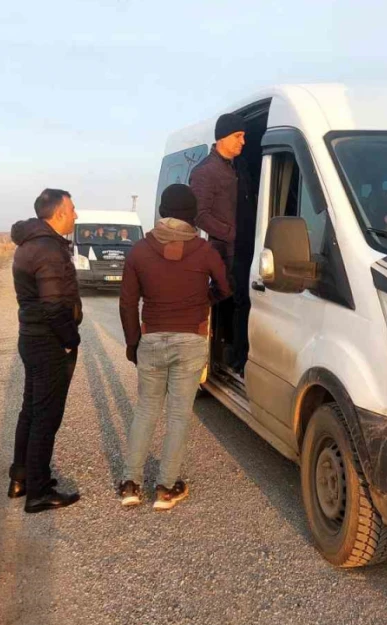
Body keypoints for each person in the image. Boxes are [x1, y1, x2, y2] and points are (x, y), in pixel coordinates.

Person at [118, 184, 231, 510]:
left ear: (163, 211)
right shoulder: (205, 251)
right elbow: (225, 288)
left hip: (151, 339)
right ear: (191, 214)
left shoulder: (139, 250)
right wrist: (204, 302)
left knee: (146, 410)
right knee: (179, 415)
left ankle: (130, 484)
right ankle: (166, 488)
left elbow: (127, 304)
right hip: (191, 339)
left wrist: (132, 342)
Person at [9, 188, 83, 514]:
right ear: (58, 213)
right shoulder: (48, 250)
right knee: (45, 416)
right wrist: (70, 339)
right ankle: (38, 491)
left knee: (31, 410)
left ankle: (21, 478)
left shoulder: (30, 244)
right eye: (72, 208)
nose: (76, 215)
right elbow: (54, 307)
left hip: (32, 337)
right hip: (49, 341)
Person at [189, 113, 246, 371]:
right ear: (222, 137)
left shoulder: (236, 168)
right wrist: (231, 233)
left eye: (243, 136)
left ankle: (237, 356)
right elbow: (199, 214)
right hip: (224, 251)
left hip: (242, 250)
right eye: (238, 136)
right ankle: (228, 359)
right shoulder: (205, 171)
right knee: (232, 302)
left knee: (242, 302)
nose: (242, 142)